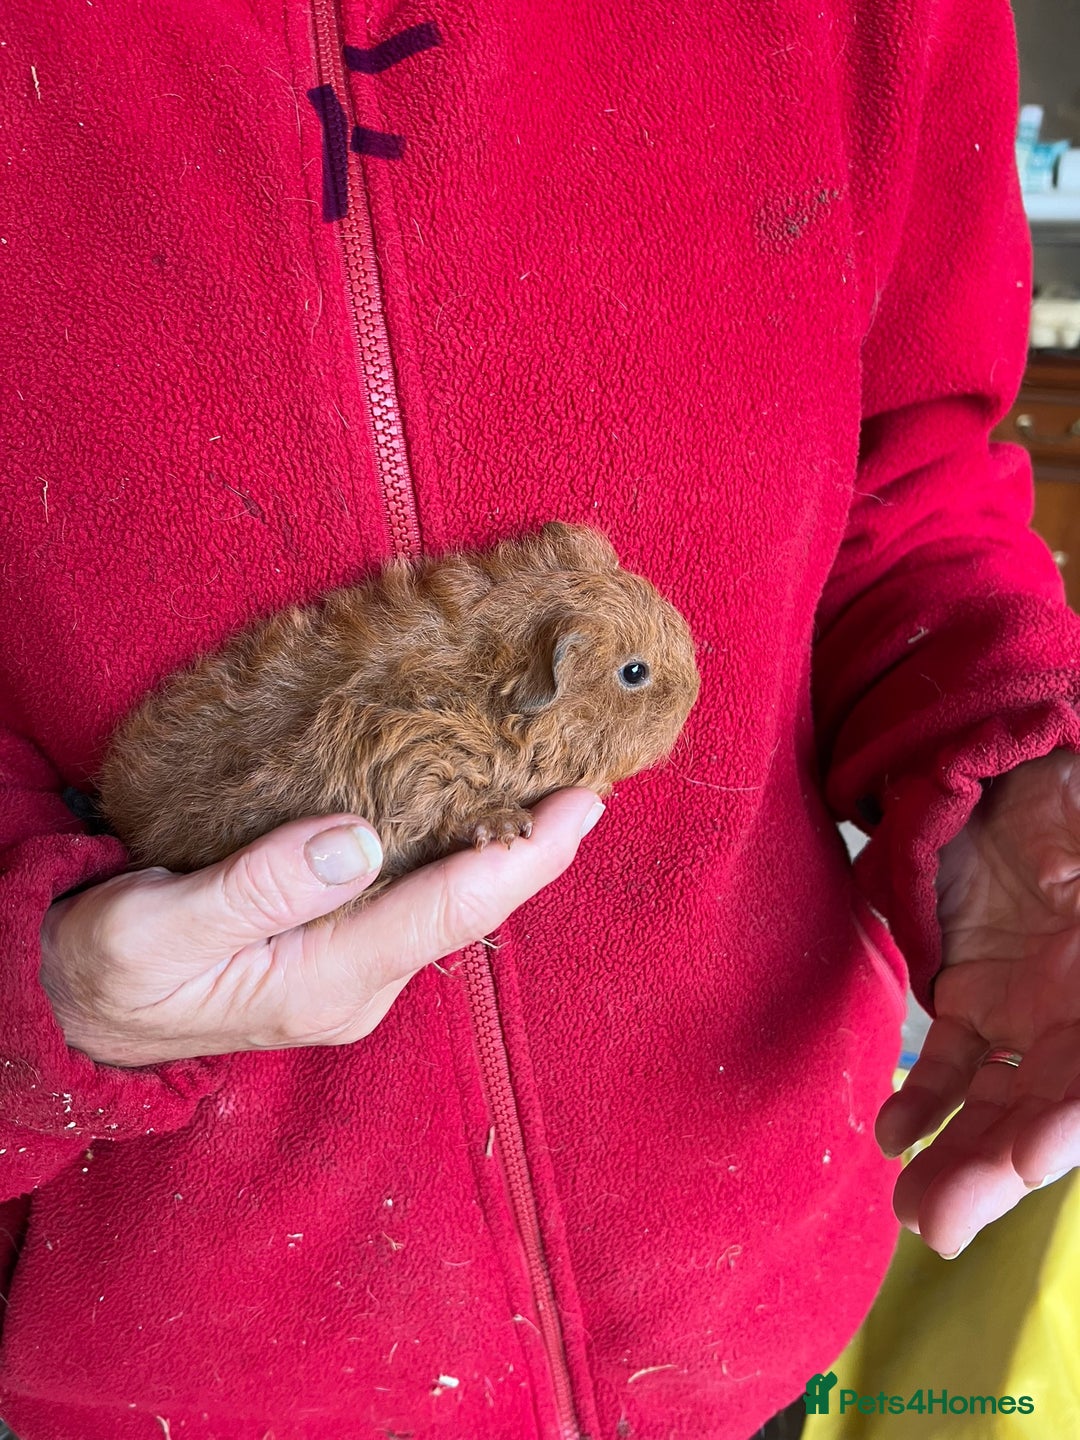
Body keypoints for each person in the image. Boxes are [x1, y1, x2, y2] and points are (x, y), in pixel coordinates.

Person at [2, 2, 1079, 1437]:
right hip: (175, 1376)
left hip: (743, 1297)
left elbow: (900, 477)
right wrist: (43, 1003)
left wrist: (1017, 775)